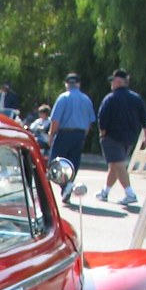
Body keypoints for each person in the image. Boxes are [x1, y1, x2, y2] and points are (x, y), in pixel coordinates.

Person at [95, 69, 146, 205]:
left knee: (118, 165)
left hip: (112, 137)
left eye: (113, 81)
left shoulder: (110, 98)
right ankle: (105, 191)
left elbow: (102, 118)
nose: (111, 83)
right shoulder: (136, 98)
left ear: (118, 81)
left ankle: (130, 193)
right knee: (114, 165)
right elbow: (144, 119)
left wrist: (102, 133)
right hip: (129, 137)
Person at [48, 72, 96, 202]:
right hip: (79, 134)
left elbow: (55, 120)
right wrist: (83, 136)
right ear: (79, 84)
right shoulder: (86, 99)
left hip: (64, 133)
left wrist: (51, 135)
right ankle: (67, 187)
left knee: (55, 163)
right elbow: (89, 122)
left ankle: (65, 186)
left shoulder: (63, 98)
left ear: (66, 84)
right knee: (73, 162)